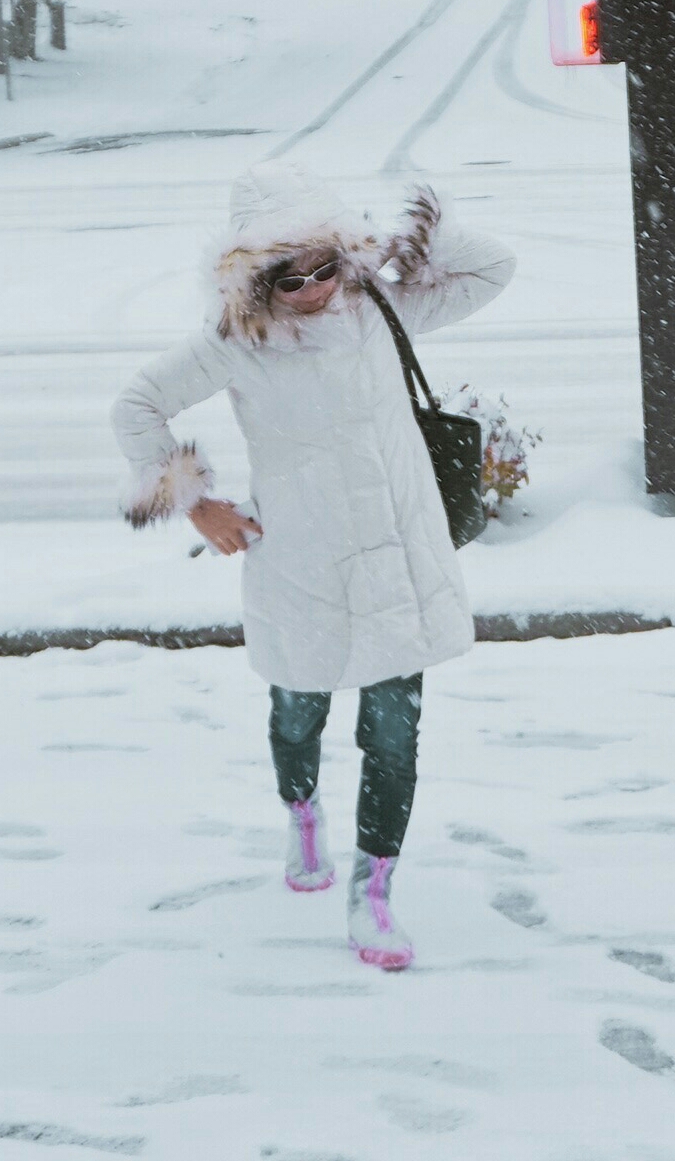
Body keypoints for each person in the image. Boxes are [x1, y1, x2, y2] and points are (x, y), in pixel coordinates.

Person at [111, 163, 515, 970]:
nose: (312, 287)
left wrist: (424, 249)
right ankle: (301, 815)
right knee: (298, 713)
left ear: (345, 254)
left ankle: (372, 894)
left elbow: (494, 269)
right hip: (301, 563)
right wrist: (196, 501)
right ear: (253, 280)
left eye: (325, 266)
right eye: (287, 276)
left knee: (393, 736)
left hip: (398, 559)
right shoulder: (235, 345)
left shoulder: (379, 308)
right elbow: (136, 404)